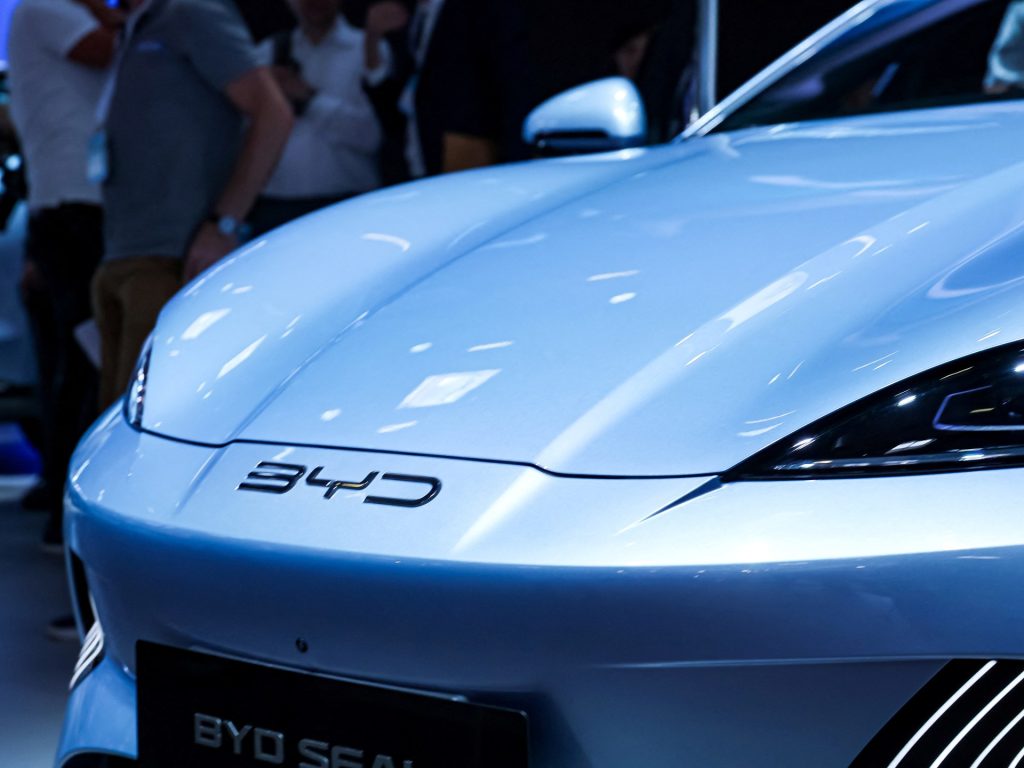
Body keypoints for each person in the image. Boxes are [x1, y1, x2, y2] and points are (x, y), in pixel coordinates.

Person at [94, 0, 293, 410]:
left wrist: (225, 223)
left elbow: (273, 112)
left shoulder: (190, 12)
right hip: (125, 254)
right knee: (113, 424)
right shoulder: (138, 26)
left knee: (146, 425)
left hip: (174, 263)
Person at [7, 0, 121, 552]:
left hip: (68, 206)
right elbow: (113, 51)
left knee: (75, 358)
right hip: (78, 206)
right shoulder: (49, 7)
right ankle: (69, 510)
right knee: (87, 359)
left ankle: (62, 500)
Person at [249, 0, 406, 235]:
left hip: (348, 203)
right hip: (275, 205)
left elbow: (373, 137)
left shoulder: (368, 48)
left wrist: (309, 99)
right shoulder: (268, 52)